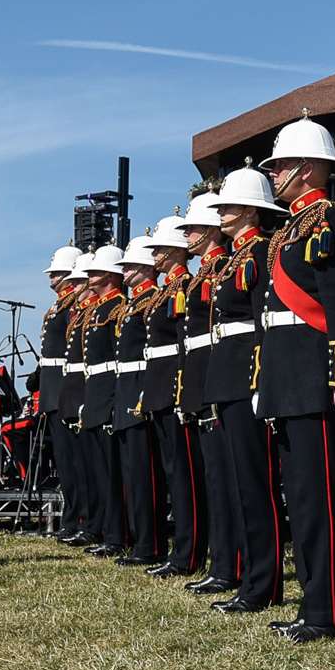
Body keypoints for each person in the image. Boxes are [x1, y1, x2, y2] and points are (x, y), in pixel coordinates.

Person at [257, 115, 335, 642]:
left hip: (317, 381)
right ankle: (312, 606)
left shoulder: (332, 220)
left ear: (304, 169)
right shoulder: (289, 229)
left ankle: (330, 615)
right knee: (302, 500)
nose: (273, 173)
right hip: (288, 381)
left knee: (323, 502)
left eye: (279, 165)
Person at [206, 167, 285, 616]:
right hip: (229, 375)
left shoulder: (258, 252)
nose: (223, 212)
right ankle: (251, 579)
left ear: (251, 209)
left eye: (230, 206)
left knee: (256, 485)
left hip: (246, 375)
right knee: (239, 484)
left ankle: (263, 583)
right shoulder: (235, 257)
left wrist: (261, 378)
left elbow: (262, 323)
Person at [176, 194, 238, 596]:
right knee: (215, 480)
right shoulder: (203, 274)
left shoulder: (222, 268)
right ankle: (224, 563)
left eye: (195, 228)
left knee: (226, 480)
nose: (190, 236)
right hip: (206, 379)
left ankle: (231, 563)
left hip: (223, 375)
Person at [143, 214, 206, 578]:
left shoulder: (183, 284)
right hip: (166, 386)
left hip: (177, 385)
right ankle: (183, 550)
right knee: (175, 474)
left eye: (160, 249)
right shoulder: (171, 287)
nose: (155, 256)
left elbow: (184, 341)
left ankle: (189, 552)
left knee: (186, 477)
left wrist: (181, 385)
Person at [111, 238, 167, 567]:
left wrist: (145, 392)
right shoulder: (133, 304)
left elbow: (151, 352)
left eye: (131, 266)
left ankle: (150, 544)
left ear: (146, 268)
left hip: (140, 388)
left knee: (146, 477)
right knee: (133, 475)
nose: (126, 272)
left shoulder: (151, 300)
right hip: (126, 389)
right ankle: (139, 540)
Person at [78, 248, 128, 557]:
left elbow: (117, 357)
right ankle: (107, 532)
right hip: (94, 391)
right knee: (99, 472)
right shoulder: (98, 309)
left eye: (95, 272)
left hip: (108, 389)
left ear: (110, 275)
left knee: (113, 474)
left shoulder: (117, 307)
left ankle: (117, 534)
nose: (89, 277)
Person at [36, 246, 84, 538]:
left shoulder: (71, 308)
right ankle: (71, 517)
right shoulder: (58, 307)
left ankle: (76, 518)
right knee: (63, 462)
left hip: (63, 387)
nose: (51, 277)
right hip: (52, 387)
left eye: (56, 272)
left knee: (72, 461)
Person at [57, 258, 99, 546]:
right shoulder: (81, 313)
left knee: (92, 469)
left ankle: (91, 523)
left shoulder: (104, 310)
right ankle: (85, 522)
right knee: (77, 465)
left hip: (91, 389)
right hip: (74, 390)